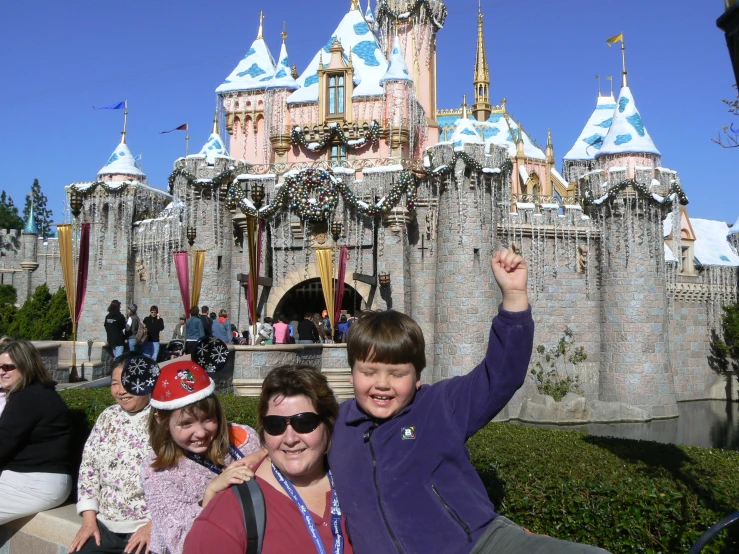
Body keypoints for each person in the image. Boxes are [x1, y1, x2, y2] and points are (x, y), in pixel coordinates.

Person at [329, 250, 609, 554]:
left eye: (397, 374)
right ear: (352, 372)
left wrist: (514, 297)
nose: (381, 384)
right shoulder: (336, 426)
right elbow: (287, 441)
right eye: (369, 372)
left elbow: (501, 376)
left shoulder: (438, 406)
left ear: (418, 376)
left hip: (480, 545)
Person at [183, 365, 354, 554]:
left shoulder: (360, 486)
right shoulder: (231, 511)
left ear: (328, 424)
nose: (290, 439)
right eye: (275, 425)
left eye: (304, 423)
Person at [141, 360, 263, 554]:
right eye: (186, 424)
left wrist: (265, 456)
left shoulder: (243, 439)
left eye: (208, 419)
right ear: (161, 420)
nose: (201, 433)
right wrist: (211, 494)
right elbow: (180, 540)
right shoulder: (157, 470)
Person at [68, 354, 153, 554]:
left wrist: (153, 526)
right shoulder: (108, 417)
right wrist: (89, 521)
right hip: (105, 526)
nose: (121, 390)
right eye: (115, 383)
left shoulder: (165, 419)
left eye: (130, 382)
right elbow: (89, 469)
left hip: (148, 527)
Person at [0, 339, 74, 524]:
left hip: (35, 483)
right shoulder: (33, 393)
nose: (2, 371)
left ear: (26, 366)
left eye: (8, 367)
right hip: (25, 479)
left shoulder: (29, 398)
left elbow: (2, 443)